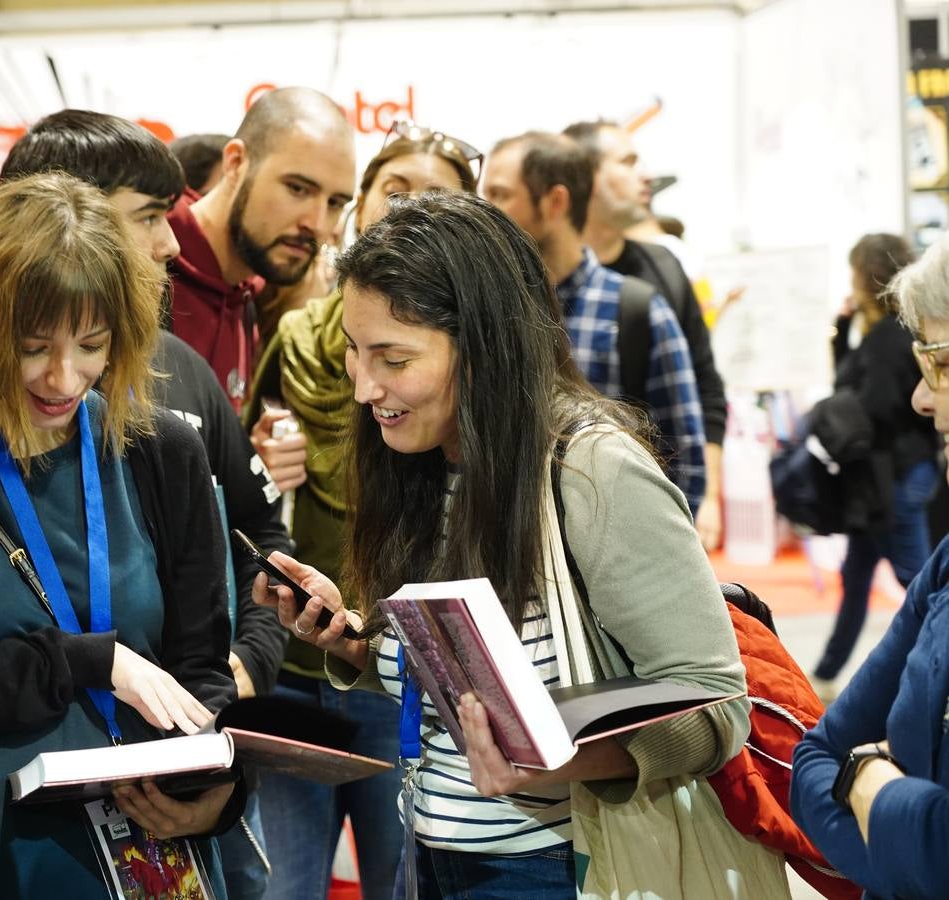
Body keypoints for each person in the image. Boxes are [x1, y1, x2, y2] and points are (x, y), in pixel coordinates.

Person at [254, 192, 749, 898]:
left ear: (484, 343)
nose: (366, 388)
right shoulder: (420, 466)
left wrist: (557, 760)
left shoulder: (589, 471)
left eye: (393, 359)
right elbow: (463, 690)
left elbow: (716, 706)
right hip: (424, 856)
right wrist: (357, 646)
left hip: (560, 870)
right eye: (354, 355)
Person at [0, 171, 242, 897]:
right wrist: (85, 661)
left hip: (154, 854)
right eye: (32, 346)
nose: (64, 376)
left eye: (93, 343)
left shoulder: (157, 450)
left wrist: (219, 791)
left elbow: (201, 667)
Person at [244, 121, 482, 900]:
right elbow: (252, 460)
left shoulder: (468, 379)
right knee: (286, 884)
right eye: (395, 191)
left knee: (402, 879)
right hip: (295, 661)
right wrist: (265, 453)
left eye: (437, 199)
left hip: (400, 667)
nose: (369, 388)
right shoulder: (295, 333)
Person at [790, 233, 949, 899]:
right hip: (882, 486)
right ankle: (826, 664)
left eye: (939, 365)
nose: (923, 395)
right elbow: (812, 761)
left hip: (892, 481)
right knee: (876, 576)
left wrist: (869, 782)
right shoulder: (947, 569)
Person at [482, 131, 706, 512]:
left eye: (500, 195)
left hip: (614, 553)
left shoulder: (636, 310)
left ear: (555, 202)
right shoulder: (488, 308)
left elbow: (683, 463)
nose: (485, 210)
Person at [564, 119, 727, 548]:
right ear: (585, 176)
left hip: (651, 516)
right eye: (628, 161)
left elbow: (705, 386)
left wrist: (707, 495)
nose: (646, 175)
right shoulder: (542, 280)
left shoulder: (665, 269)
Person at [167, 87, 356, 410]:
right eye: (297, 188)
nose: (317, 223)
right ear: (236, 162)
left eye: (335, 203)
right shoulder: (141, 265)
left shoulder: (247, 299)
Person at [810, 234, 937, 701]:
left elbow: (877, 404)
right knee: (859, 577)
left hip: (895, 475)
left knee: (919, 580)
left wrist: (835, 413)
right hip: (893, 474)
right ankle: (825, 674)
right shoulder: (893, 329)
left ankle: (931, 677)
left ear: (867, 275)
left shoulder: (888, 336)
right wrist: (844, 332)